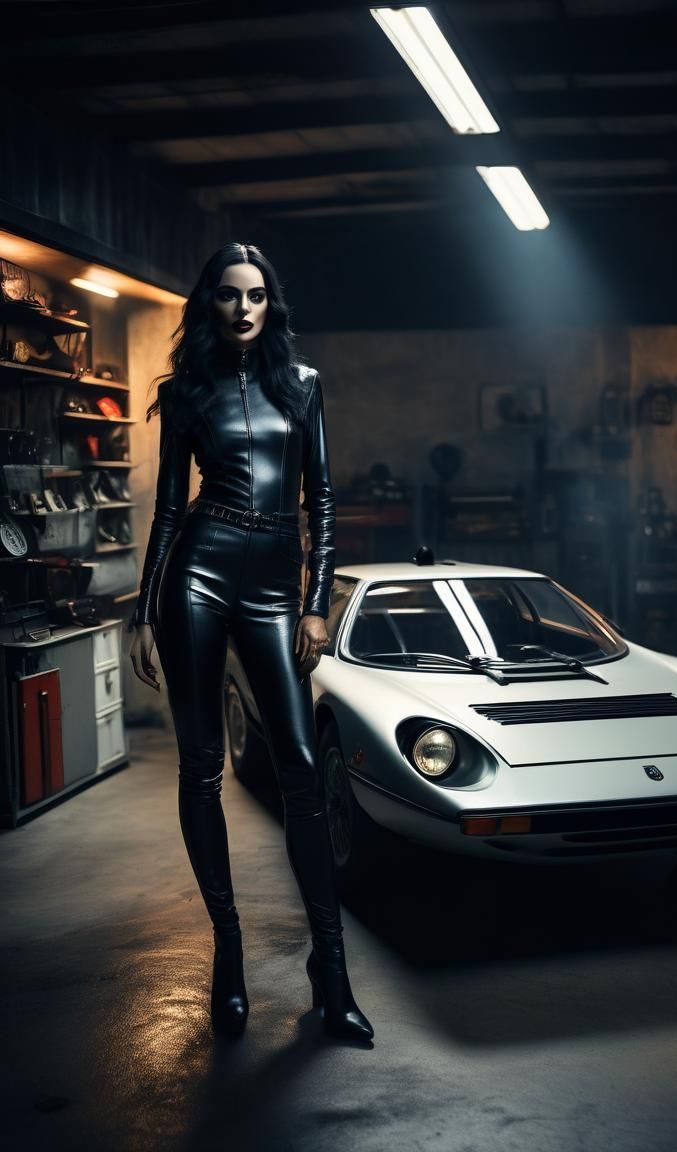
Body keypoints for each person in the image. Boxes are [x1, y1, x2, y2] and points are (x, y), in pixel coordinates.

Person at [128, 242, 373, 1043]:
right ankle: (227, 954)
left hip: (274, 583)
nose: (243, 308)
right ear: (210, 304)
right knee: (201, 768)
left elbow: (323, 501)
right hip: (197, 573)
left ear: (271, 305)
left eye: (257, 296)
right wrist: (143, 608)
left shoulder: (301, 386)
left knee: (300, 766)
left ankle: (330, 976)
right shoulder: (186, 392)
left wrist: (312, 605)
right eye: (230, 295)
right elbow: (169, 508)